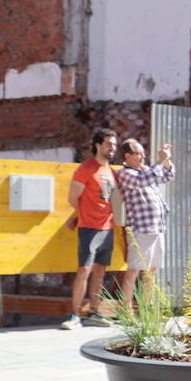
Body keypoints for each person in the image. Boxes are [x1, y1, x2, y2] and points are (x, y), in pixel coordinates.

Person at [62, 127, 119, 328]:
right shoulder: (85, 169)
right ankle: (74, 315)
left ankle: (94, 312)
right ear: (98, 145)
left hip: (108, 227)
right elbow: (72, 198)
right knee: (84, 269)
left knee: (100, 271)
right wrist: (82, 215)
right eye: (109, 144)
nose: (113, 148)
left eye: (114, 144)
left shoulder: (112, 172)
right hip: (89, 228)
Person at [115, 138, 174, 306]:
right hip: (140, 229)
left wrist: (166, 160)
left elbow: (168, 175)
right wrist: (159, 161)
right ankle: (126, 311)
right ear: (127, 156)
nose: (142, 156)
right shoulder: (125, 174)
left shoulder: (147, 170)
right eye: (138, 153)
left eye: (143, 153)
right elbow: (143, 181)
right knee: (133, 270)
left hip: (157, 228)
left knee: (151, 270)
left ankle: (146, 310)